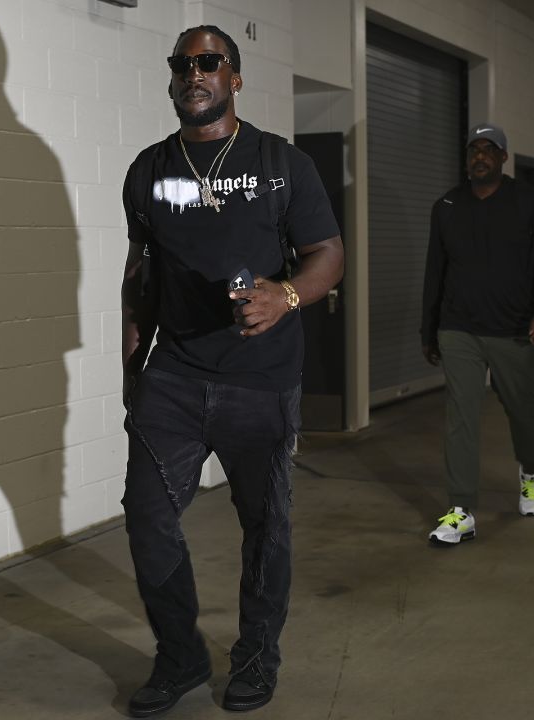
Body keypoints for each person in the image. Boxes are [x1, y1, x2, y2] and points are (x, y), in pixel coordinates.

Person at [119, 25, 344, 717]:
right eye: (184, 64)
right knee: (148, 518)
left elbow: (327, 252)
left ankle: (254, 657)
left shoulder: (281, 162)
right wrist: (133, 371)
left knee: (265, 527)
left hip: (261, 379)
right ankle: (180, 657)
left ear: (235, 78)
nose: (196, 73)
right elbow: (140, 276)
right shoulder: (148, 170)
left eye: (210, 62)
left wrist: (289, 295)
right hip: (175, 378)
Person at [420, 122, 534, 546]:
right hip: (458, 327)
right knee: (460, 416)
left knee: (522, 410)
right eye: (473, 150)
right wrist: (429, 329)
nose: (479, 157)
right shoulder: (446, 205)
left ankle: (531, 470)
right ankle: (461, 509)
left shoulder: (529, 203)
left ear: (503, 158)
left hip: (513, 328)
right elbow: (436, 271)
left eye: (489, 150)